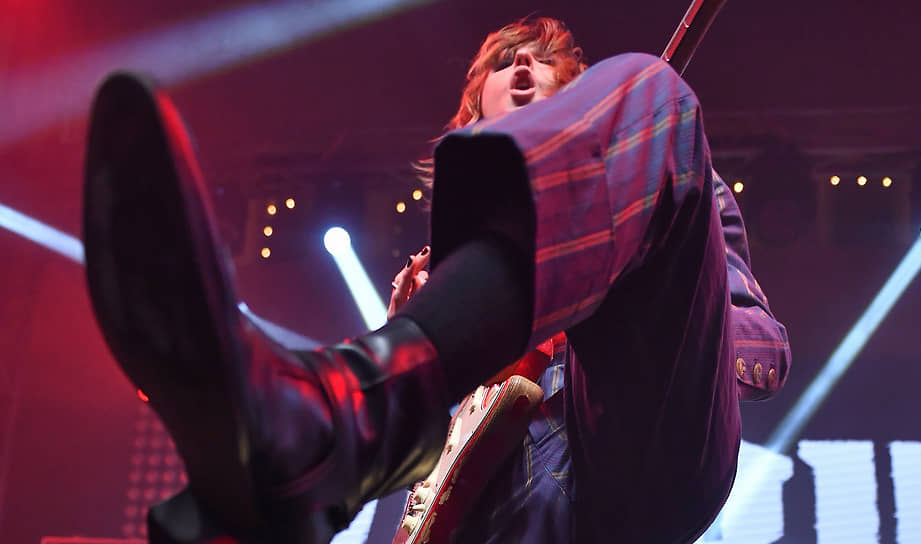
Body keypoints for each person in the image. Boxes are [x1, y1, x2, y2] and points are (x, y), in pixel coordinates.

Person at [81, 15, 789, 544]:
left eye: (544, 63)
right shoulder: (444, 278)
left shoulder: (667, 172)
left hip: (632, 451)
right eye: (504, 62)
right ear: (472, 110)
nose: (523, 66)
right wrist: (446, 337)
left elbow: (764, 348)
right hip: (496, 518)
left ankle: (342, 421)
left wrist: (619, 308)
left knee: (654, 88)